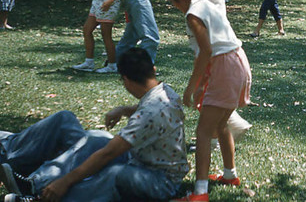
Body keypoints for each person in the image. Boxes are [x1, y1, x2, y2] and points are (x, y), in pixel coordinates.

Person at [0, 48, 189, 202]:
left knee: (115, 174)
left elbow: (108, 154)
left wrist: (65, 181)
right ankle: (35, 184)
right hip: (141, 162)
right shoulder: (166, 91)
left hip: (161, 182)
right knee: (94, 139)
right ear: (153, 70)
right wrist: (124, 110)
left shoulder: (146, 116)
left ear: (126, 80)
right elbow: (154, 110)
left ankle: (45, 198)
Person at [165, 0, 251, 202]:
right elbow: (207, 52)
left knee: (204, 131)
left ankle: (200, 193)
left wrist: (191, 88)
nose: (174, 6)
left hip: (223, 65)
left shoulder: (193, 13)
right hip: (236, 61)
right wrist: (203, 83)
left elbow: (206, 52)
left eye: (172, 2)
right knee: (221, 124)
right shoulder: (205, 2)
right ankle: (230, 175)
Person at [178, 0, 252, 144]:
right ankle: (225, 129)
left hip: (215, 50)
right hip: (214, 47)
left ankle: (221, 133)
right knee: (213, 95)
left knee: (209, 95)